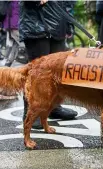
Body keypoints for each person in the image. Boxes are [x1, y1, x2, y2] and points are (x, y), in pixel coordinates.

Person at [19, 0, 77, 129]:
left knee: (58, 71)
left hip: (58, 24)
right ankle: (31, 111)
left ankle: (54, 107)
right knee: (36, 73)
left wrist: (68, 24)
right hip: (35, 24)